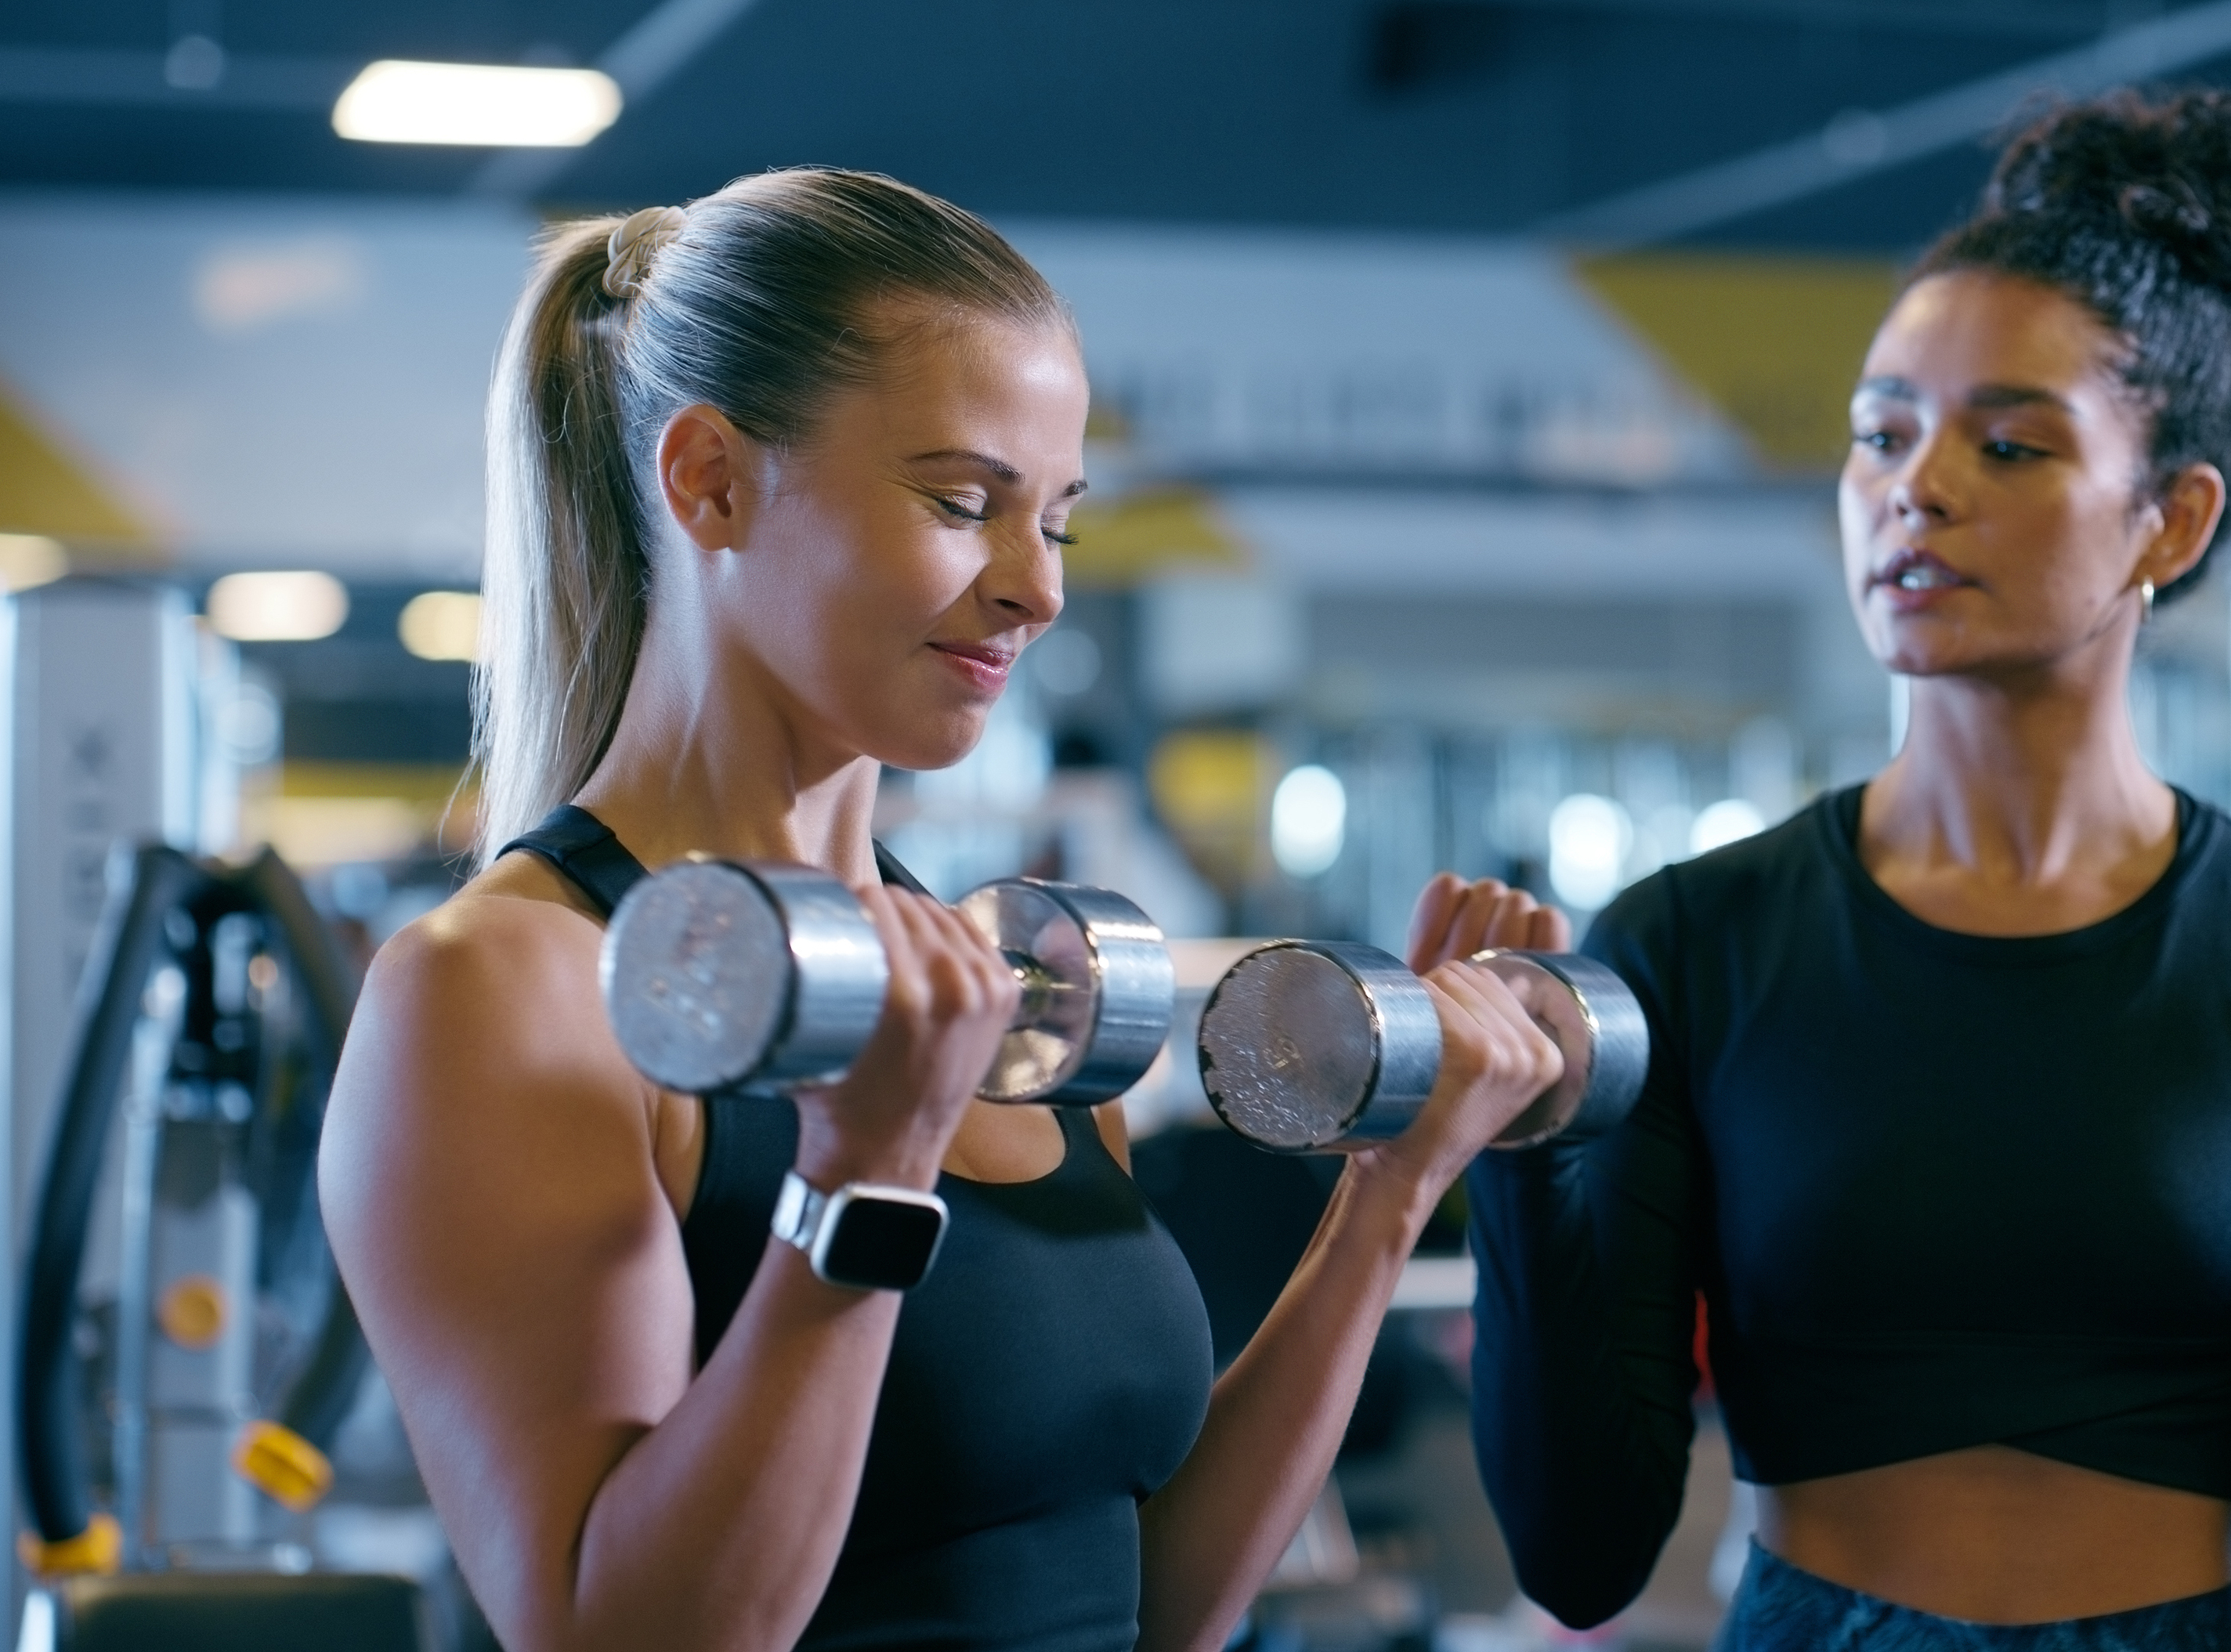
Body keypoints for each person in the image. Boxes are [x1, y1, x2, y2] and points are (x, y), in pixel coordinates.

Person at [320, 168, 1564, 1652]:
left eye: (1061, 524)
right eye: (963, 502)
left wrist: (1391, 1189)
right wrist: (861, 1180)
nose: (1036, 588)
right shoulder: (503, 989)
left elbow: (1146, 1600)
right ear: (710, 478)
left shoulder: (1010, 988)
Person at [1422, 90, 2231, 1652]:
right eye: (1880, 432)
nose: (1916, 484)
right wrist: (1523, 1142)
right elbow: (1579, 1550)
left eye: (2005, 441)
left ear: (2168, 518)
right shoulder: (1693, 939)